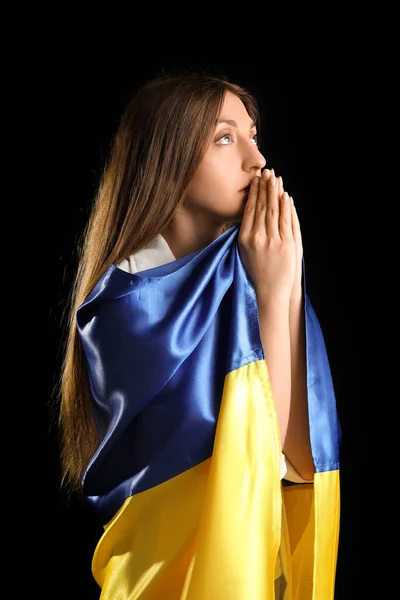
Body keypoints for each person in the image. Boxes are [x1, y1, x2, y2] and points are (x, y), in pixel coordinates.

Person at [58, 71, 341, 599]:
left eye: (253, 136)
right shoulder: (124, 307)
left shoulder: (251, 276)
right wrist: (278, 295)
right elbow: (252, 462)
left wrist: (280, 289)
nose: (256, 160)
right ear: (167, 158)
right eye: (225, 138)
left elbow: (300, 463)